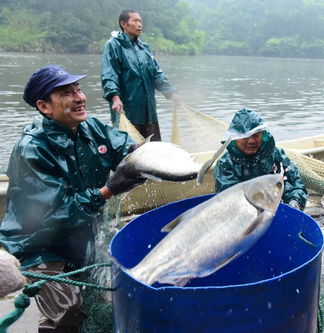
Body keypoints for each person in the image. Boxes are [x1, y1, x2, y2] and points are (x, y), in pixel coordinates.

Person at [0, 65, 145, 332]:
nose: (80, 97)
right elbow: (55, 218)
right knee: (67, 311)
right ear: (45, 107)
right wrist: (108, 190)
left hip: (82, 234)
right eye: (67, 93)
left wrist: (143, 157)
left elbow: (125, 148)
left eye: (78, 89)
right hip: (39, 244)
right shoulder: (31, 150)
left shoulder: (90, 128)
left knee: (107, 293)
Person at [101, 9, 182, 142]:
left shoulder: (144, 48)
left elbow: (157, 74)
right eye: (135, 20)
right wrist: (114, 97)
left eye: (140, 21)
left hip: (149, 110)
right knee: (130, 150)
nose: (139, 24)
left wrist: (171, 92)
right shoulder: (114, 45)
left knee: (153, 150)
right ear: (124, 24)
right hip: (127, 110)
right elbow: (109, 73)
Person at [214, 108, 308, 210]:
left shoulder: (276, 154)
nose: (251, 141)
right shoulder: (225, 164)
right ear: (234, 138)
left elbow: (296, 183)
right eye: (245, 137)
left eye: (256, 135)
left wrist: (295, 202)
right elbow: (228, 198)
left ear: (262, 135)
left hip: (278, 209)